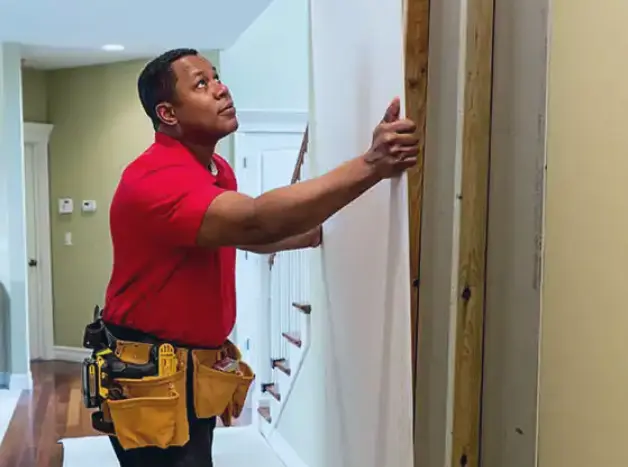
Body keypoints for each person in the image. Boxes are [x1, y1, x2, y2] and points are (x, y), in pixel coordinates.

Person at [99, 48, 418, 467]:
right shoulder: (154, 178)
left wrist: (309, 234)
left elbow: (240, 235)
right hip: (151, 375)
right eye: (201, 83)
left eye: (216, 77)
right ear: (168, 113)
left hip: (188, 372)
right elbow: (254, 222)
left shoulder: (213, 170)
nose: (221, 88)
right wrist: (371, 164)